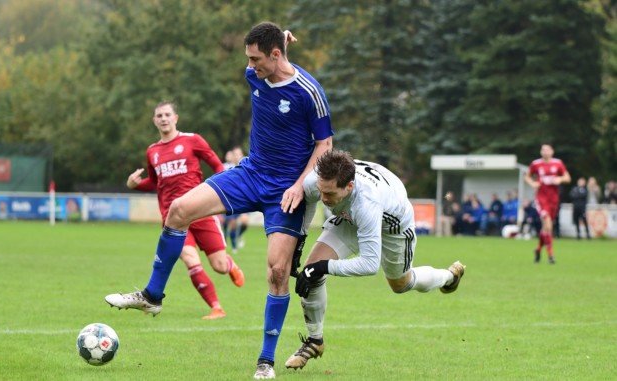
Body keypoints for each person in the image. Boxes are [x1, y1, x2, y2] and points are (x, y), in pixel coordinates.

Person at [105, 23, 333, 380]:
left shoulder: (309, 92)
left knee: (276, 272)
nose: (250, 65)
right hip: (251, 173)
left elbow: (325, 146)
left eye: (256, 58)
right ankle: (152, 295)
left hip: (286, 191)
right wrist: (280, 44)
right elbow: (269, 58)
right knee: (178, 211)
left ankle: (265, 362)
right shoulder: (255, 74)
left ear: (275, 54)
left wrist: (300, 186)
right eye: (248, 58)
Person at [285, 150, 465, 370]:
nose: (324, 198)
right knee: (310, 269)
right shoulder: (318, 180)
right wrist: (299, 243)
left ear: (349, 186)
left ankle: (448, 277)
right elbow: (310, 199)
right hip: (350, 216)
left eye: (330, 194)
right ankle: (315, 341)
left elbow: (369, 264)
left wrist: (323, 267)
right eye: (322, 191)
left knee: (401, 284)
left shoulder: (366, 202)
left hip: (393, 226)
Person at [106, 101, 245, 320]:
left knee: (218, 265)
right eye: (159, 115)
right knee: (191, 260)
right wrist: (135, 184)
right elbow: (154, 182)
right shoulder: (152, 151)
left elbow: (218, 167)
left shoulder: (193, 140)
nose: (163, 118)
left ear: (175, 118)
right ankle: (216, 307)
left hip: (202, 212)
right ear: (154, 121)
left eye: (167, 114)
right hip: (174, 219)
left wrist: (219, 197)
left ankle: (229, 264)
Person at [525, 144, 571, 264]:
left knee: (545, 228)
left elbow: (567, 177)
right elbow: (527, 176)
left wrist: (560, 179)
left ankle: (538, 249)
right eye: (543, 150)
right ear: (541, 152)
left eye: (547, 150)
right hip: (541, 198)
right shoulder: (536, 164)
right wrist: (533, 184)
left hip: (554, 200)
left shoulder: (558, 163)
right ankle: (551, 255)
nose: (545, 152)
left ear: (552, 151)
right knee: (548, 225)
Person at [222, 146, 250, 253]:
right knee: (231, 222)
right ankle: (234, 246)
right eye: (236, 154)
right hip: (231, 199)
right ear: (232, 156)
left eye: (239, 154)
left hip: (244, 199)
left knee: (244, 222)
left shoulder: (246, 166)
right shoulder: (227, 167)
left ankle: (236, 236)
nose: (238, 156)